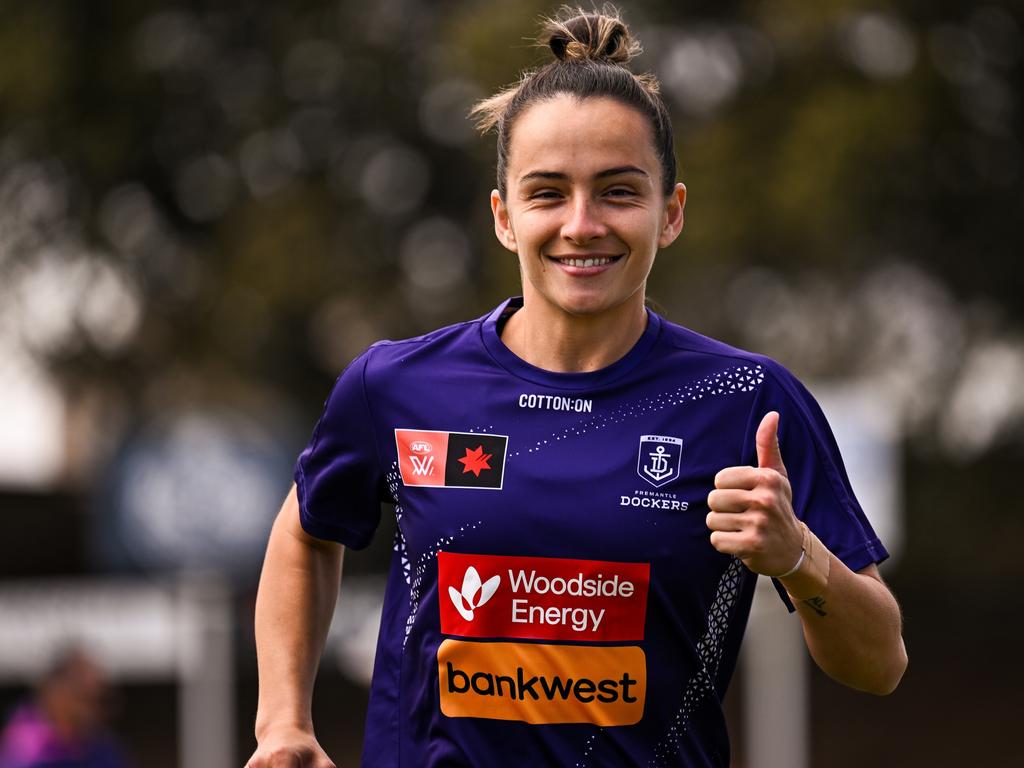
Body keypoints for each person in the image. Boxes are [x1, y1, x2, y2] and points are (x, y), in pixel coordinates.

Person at [246, 7, 907, 767]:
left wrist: (798, 557)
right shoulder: (395, 387)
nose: (582, 224)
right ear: (503, 217)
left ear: (672, 214)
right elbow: (306, 527)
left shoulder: (749, 401)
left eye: (619, 191)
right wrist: (283, 722)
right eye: (548, 193)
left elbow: (880, 662)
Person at [0, 647, 129, 768]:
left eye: (98, 699)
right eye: (81, 697)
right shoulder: (27, 744)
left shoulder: (101, 745)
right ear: (55, 691)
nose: (92, 710)